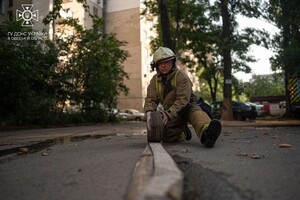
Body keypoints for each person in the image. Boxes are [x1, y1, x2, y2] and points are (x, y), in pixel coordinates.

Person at [144, 47, 221, 148]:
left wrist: (168, 114)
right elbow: (151, 98)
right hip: (171, 112)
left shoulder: (181, 77)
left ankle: (207, 134)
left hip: (187, 106)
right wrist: (149, 112)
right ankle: (183, 132)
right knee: (166, 136)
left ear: (173, 63)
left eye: (166, 62)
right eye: (160, 63)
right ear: (156, 66)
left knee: (196, 113)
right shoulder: (154, 80)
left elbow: (183, 100)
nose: (163, 65)